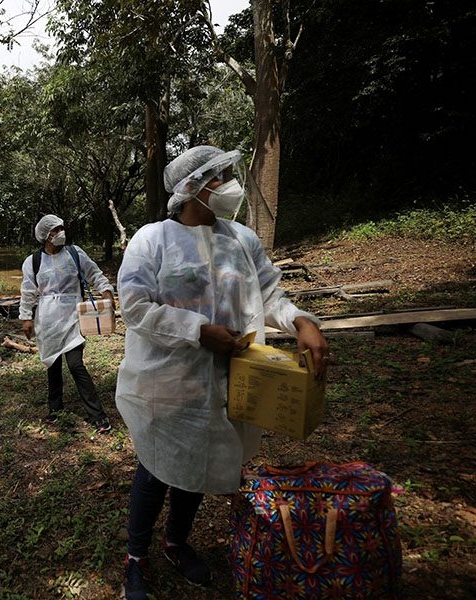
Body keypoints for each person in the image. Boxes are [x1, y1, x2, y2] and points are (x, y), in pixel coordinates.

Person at [115, 146, 330, 599]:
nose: (232, 185)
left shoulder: (242, 239)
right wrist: (197, 330)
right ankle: (137, 556)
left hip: (227, 380)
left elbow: (270, 294)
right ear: (194, 186)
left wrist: (302, 322)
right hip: (167, 379)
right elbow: (134, 307)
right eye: (223, 176)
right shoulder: (150, 240)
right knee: (156, 469)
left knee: (201, 461)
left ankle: (176, 542)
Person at [19, 214, 116, 433]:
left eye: (62, 228)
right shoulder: (33, 262)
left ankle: (97, 415)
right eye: (56, 229)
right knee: (53, 366)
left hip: (73, 318)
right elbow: (27, 292)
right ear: (46, 235)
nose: (61, 232)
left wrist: (106, 290)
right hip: (47, 321)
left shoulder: (74, 253)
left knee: (75, 365)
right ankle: (54, 411)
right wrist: (26, 317)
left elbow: (94, 273)